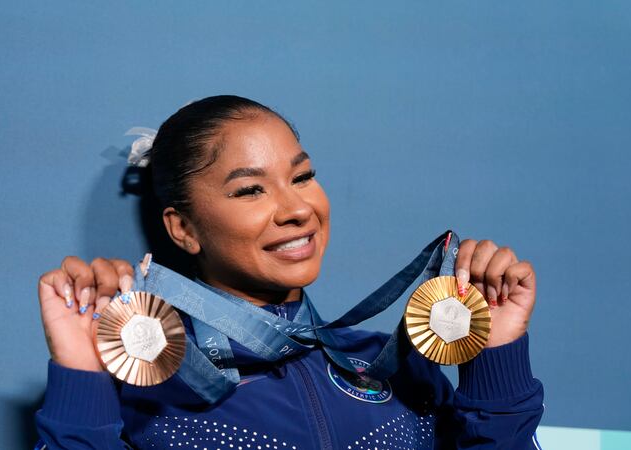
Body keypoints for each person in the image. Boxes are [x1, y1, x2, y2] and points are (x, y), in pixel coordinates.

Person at [34, 95, 543, 449]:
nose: (297, 208)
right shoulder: (148, 381)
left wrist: (495, 358)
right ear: (184, 228)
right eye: (250, 190)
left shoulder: (395, 366)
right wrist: (83, 375)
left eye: (302, 176)